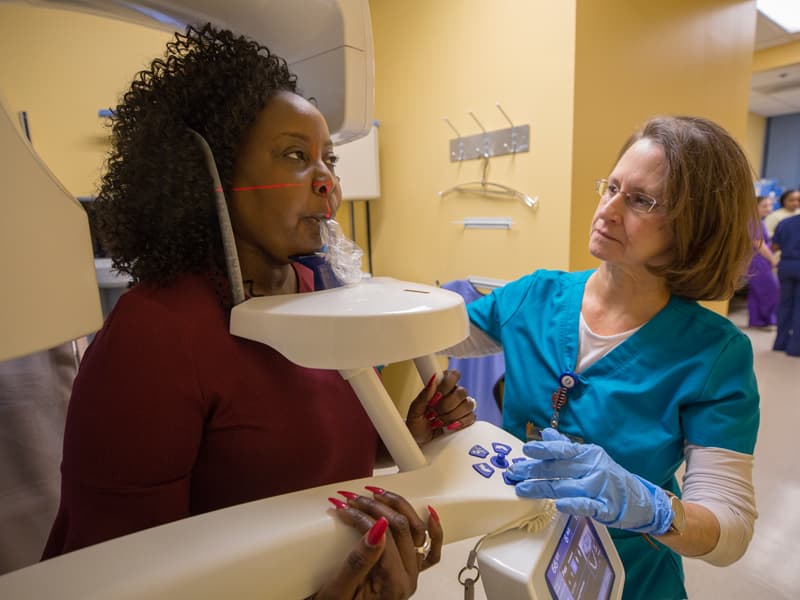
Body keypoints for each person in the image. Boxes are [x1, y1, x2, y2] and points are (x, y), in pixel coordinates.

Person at [42, 25, 475, 599]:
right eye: (296, 156)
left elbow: (290, 458)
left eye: (329, 159)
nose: (327, 181)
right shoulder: (157, 332)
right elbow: (119, 575)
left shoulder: (318, 292)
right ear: (213, 178)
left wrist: (403, 436)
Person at [448, 116, 760, 600]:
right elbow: (436, 337)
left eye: (640, 200)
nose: (608, 210)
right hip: (518, 562)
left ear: (693, 227)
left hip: (630, 580)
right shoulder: (536, 295)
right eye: (611, 187)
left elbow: (730, 530)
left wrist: (655, 507)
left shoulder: (713, 353)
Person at [746, 196, 779, 328]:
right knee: (772, 291)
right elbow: (759, 244)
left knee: (756, 294)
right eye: (764, 206)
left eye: (770, 205)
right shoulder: (754, 222)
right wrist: (772, 259)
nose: (768, 209)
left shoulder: (758, 221)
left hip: (754, 261)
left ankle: (756, 321)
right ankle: (768, 320)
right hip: (757, 262)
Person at [772, 212, 800, 356]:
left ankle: (780, 343)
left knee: (784, 305)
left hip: (786, 267)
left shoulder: (785, 223)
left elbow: (775, 246)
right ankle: (795, 348)